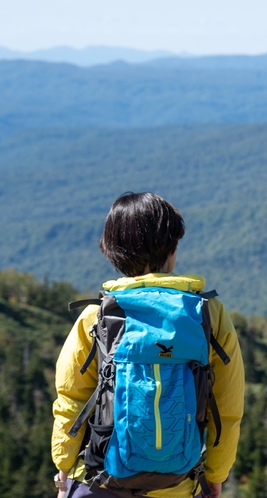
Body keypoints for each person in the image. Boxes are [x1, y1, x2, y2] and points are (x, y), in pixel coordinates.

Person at [52, 192, 245, 498]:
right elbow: (226, 405)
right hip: (178, 483)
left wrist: (63, 465)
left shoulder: (97, 315)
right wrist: (216, 474)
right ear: (173, 248)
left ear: (112, 252)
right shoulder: (207, 313)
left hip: (100, 479)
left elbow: (72, 398)